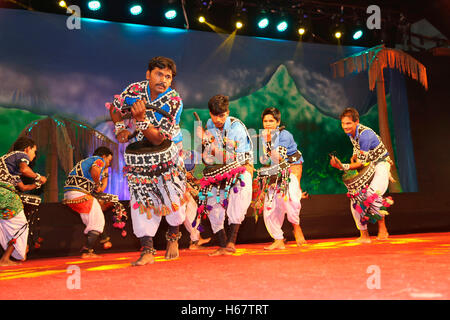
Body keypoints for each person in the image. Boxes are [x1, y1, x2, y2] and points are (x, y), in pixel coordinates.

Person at [108, 56, 187, 266]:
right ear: (148, 74)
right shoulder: (134, 90)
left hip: (168, 153)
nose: (163, 80)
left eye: (168, 77)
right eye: (159, 74)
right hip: (140, 158)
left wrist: (141, 120)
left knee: (172, 198)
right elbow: (115, 108)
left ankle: (173, 239)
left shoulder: (174, 101)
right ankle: (147, 250)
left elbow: (159, 138)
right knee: (140, 198)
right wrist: (120, 129)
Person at [196, 94, 253, 256]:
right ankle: (222, 244)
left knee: (239, 198)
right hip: (221, 170)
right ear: (210, 113)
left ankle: (231, 243)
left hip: (241, 167)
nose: (218, 119)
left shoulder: (236, 128)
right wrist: (204, 143)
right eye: (214, 115)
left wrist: (207, 142)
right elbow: (209, 158)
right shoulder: (209, 124)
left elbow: (230, 157)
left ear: (227, 112)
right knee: (212, 201)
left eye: (221, 115)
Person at [330, 107, 392, 243]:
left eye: (348, 123)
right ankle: (364, 235)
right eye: (343, 123)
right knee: (355, 198)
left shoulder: (365, 135)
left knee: (371, 194)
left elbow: (360, 164)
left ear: (356, 122)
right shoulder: (351, 133)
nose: (345, 127)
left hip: (380, 164)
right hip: (368, 166)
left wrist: (341, 166)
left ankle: (383, 229)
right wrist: (354, 154)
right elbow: (357, 148)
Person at [254, 107, 307, 250]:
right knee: (270, 206)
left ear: (278, 122)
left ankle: (297, 228)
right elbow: (268, 161)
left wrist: (270, 142)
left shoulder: (284, 135)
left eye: (271, 121)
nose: (268, 124)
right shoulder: (265, 137)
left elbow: (280, 159)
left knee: (290, 201)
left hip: (291, 168)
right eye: (265, 121)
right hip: (276, 170)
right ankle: (278, 239)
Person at [0, 137, 47, 266]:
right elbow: (24, 170)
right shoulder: (21, 155)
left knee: (5, 226)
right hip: (3, 194)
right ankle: (5, 259)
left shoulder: (8, 162)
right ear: (27, 149)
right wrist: (39, 177)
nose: (34, 155)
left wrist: (37, 184)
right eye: (34, 151)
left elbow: (23, 187)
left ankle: (5, 257)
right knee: (21, 225)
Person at [63, 147, 114, 258]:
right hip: (80, 194)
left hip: (72, 194)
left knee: (93, 221)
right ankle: (87, 252)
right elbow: (95, 172)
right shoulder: (99, 160)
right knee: (98, 221)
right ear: (104, 156)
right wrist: (97, 184)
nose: (109, 164)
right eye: (109, 160)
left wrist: (105, 174)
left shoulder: (87, 161)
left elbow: (101, 189)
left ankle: (88, 249)